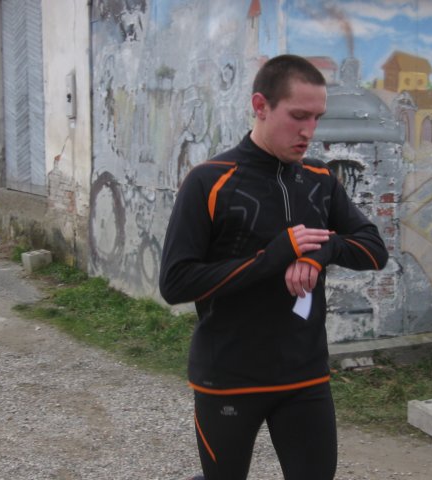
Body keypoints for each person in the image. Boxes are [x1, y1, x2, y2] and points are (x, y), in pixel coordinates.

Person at [159, 54, 389, 480]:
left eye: (317, 118)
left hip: (305, 375)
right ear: (260, 106)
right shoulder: (209, 181)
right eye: (298, 116)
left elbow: (375, 250)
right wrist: (273, 257)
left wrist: (320, 252)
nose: (309, 131)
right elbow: (176, 282)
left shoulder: (321, 179)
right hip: (228, 375)